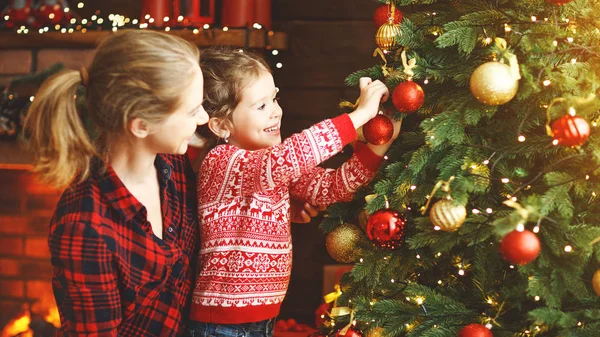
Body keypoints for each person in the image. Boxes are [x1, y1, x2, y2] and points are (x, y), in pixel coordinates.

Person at [188, 46, 401, 337]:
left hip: (262, 320)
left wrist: (380, 143)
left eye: (274, 98)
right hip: (220, 324)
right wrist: (360, 115)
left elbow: (333, 187)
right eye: (261, 106)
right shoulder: (222, 162)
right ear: (221, 125)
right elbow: (292, 155)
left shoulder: (274, 166)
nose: (276, 111)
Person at [24, 30, 208, 337]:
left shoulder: (173, 165)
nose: (202, 118)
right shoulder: (85, 225)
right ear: (141, 125)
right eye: (191, 110)